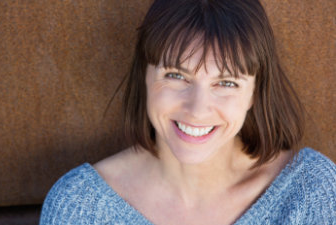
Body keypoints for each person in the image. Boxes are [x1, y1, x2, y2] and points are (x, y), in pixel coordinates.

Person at [40, 0, 336, 224]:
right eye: (176, 76)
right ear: (144, 76)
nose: (197, 110)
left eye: (226, 82)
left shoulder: (311, 191)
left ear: (254, 94)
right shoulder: (80, 207)